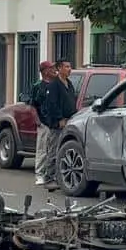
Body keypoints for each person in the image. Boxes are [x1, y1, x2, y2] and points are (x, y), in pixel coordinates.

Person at [42, 58, 77, 190]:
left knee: (64, 151)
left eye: (70, 67)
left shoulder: (69, 84)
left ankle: (60, 178)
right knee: (53, 151)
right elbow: (52, 104)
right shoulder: (54, 85)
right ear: (59, 68)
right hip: (58, 124)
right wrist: (59, 118)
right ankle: (49, 178)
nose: (69, 69)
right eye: (66, 67)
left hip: (70, 121)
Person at [29, 61, 58, 186]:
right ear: (45, 71)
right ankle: (39, 174)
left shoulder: (56, 85)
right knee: (42, 150)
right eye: (51, 68)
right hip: (44, 123)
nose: (54, 70)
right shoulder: (38, 86)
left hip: (55, 123)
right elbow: (33, 106)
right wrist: (38, 121)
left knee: (54, 150)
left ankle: (52, 174)